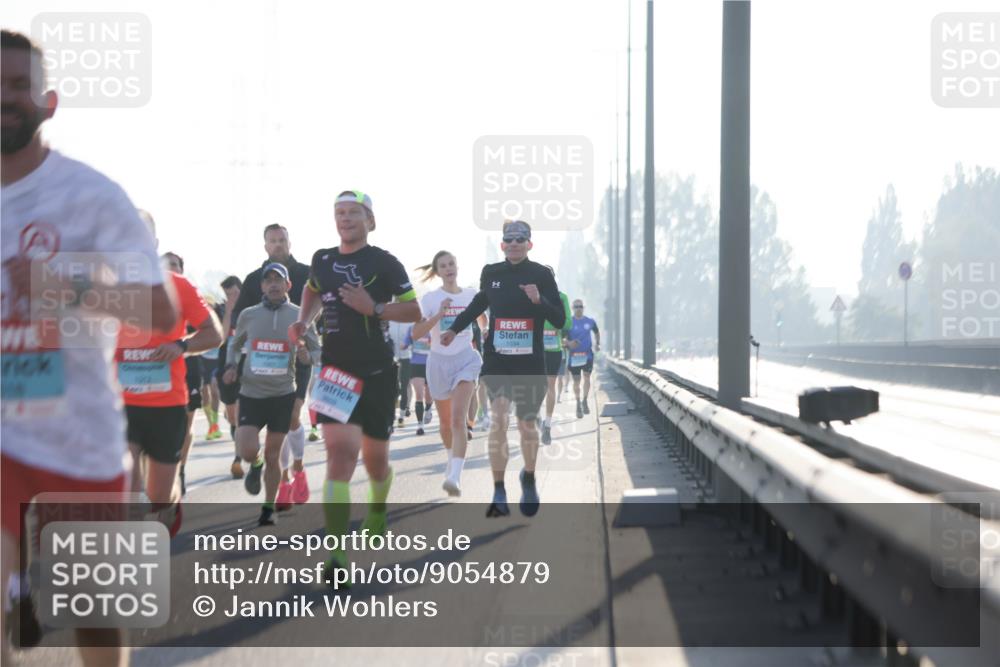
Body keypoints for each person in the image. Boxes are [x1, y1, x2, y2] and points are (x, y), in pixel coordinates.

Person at [1, 27, 178, 665]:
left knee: (97, 622)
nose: (5, 97)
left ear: (47, 101)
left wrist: (67, 285)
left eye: (18, 85)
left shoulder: (91, 196)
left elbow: (163, 313)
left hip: (78, 440)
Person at [290, 190, 420, 585]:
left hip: (378, 372)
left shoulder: (384, 262)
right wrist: (303, 319)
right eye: (339, 212)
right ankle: (337, 555)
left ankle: (378, 506)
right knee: (340, 455)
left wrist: (375, 308)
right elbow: (313, 288)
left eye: (353, 213)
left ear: (370, 220)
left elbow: (414, 310)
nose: (345, 219)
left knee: (375, 460)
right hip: (336, 371)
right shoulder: (322, 259)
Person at [442, 220, 565, 518]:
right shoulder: (492, 272)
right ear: (502, 245)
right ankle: (498, 488)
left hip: (531, 361)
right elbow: (478, 303)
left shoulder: (541, 274)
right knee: (498, 418)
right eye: (508, 239)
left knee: (526, 425)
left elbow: (559, 319)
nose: (513, 243)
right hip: (498, 359)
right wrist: (455, 329)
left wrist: (540, 300)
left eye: (520, 239)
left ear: (529, 243)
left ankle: (529, 478)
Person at [118, 218, 222, 530]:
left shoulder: (178, 286)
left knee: (159, 495)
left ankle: (169, 505)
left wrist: (181, 346)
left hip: (166, 405)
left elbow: (214, 334)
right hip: (121, 403)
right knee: (128, 487)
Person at [224, 263, 319, 526]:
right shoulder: (248, 315)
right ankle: (254, 466)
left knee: (273, 454)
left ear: (289, 286)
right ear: (262, 286)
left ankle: (268, 507)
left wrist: (306, 355)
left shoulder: (299, 316)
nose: (274, 284)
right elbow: (235, 344)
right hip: (252, 393)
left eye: (279, 280)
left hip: (282, 395)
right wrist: (231, 365)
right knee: (247, 449)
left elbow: (317, 350)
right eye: (269, 281)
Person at [232, 223, 313, 502]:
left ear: (290, 242)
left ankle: (298, 468)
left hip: (298, 358)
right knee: (276, 431)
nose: (277, 245)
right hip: (263, 363)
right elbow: (238, 321)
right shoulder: (256, 278)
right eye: (272, 241)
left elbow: (324, 308)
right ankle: (282, 479)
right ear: (265, 246)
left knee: (292, 416)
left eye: (282, 240)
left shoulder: (306, 274)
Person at [411, 251, 485, 496]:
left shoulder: (471, 294)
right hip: (438, 363)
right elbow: (415, 333)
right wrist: (439, 315)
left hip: (466, 358)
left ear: (457, 266)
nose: (448, 268)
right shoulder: (431, 299)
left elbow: (483, 321)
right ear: (438, 271)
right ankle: (451, 460)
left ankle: (454, 476)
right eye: (443, 265)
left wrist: (487, 332)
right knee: (445, 425)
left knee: (457, 419)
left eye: (451, 263)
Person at [216, 275, 245, 477]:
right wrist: (228, 310)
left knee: (242, 414)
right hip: (225, 365)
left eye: (234, 293)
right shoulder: (219, 310)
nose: (231, 297)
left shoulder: (250, 308)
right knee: (233, 415)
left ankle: (238, 458)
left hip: (246, 363)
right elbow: (222, 336)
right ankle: (236, 430)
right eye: (228, 295)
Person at [540, 271, 572, 445]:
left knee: (550, 385)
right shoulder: (531, 295)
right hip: (535, 348)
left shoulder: (561, 297)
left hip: (553, 348)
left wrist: (550, 320)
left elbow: (567, 323)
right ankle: (537, 418)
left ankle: (548, 424)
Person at [566, 299, 600, 418]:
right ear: (572, 308)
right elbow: (563, 338)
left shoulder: (590, 321)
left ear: (583, 308)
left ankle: (584, 400)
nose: (578, 308)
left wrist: (597, 343)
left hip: (587, 355)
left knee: (587, 377)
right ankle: (577, 403)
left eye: (580, 306)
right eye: (576, 306)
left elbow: (596, 332)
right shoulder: (569, 322)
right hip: (574, 356)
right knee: (576, 381)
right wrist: (569, 343)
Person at [402, 324, 432, 435]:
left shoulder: (431, 327)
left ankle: (428, 408)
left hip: (430, 364)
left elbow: (436, 344)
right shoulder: (411, 328)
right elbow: (406, 343)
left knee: (429, 395)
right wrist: (403, 346)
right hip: (415, 364)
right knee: (419, 395)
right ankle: (420, 425)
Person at [387, 320, 412, 425]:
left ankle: (404, 411)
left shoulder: (409, 322)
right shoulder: (389, 322)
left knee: (405, 384)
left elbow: (415, 338)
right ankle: (393, 411)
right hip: (392, 357)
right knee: (393, 385)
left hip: (407, 357)